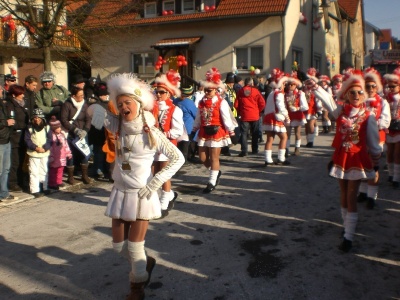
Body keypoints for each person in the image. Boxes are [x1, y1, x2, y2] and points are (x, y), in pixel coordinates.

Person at [104, 73, 184, 300]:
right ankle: (146, 263)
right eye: (119, 104)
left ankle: (136, 288)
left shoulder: (152, 132)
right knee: (119, 247)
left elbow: (178, 158)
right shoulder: (118, 127)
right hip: (120, 190)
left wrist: (157, 182)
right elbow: (97, 112)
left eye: (127, 102)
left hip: (142, 193)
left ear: (138, 104)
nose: (123, 107)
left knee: (134, 247)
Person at [305, 72, 381, 252]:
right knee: (343, 192)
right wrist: (315, 87)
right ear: (346, 94)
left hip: (357, 158)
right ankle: (346, 226)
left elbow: (373, 141)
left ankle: (348, 237)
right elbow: (328, 101)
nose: (356, 96)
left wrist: (375, 161)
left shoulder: (368, 116)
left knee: (351, 195)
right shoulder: (341, 111)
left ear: (365, 95)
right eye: (352, 92)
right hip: (341, 157)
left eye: (360, 92)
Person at [191, 67, 238, 193]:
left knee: (213, 158)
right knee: (202, 158)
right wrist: (194, 129)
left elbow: (226, 118)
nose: (206, 92)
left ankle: (211, 181)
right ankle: (216, 172)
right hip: (203, 131)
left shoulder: (221, 102)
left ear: (215, 90)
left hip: (217, 132)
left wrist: (232, 132)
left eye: (209, 90)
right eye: (205, 90)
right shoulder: (201, 102)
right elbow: (198, 117)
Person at [356, 68, 391, 209]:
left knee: (373, 168)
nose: (370, 89)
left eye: (373, 86)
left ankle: (372, 196)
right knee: (362, 167)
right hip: (361, 140)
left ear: (377, 86)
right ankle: (363, 192)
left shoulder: (383, 102)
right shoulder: (360, 101)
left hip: (376, 139)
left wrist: (369, 123)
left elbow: (385, 121)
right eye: (367, 86)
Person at [153, 70, 185, 217]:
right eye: (156, 91)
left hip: (166, 147)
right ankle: (170, 194)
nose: (158, 95)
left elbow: (178, 131)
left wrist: (163, 135)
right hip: (153, 147)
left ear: (169, 93)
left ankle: (164, 202)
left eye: (161, 92)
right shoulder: (151, 108)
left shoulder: (175, 109)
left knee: (164, 175)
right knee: (153, 174)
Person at [60, 86, 92, 184]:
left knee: (84, 153)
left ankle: (85, 175)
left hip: (83, 133)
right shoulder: (67, 105)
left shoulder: (85, 105)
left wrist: (86, 130)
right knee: (71, 154)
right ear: (74, 96)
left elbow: (88, 119)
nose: (82, 97)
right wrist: (74, 130)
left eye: (83, 95)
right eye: (80, 95)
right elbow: (64, 120)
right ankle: (70, 176)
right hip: (71, 133)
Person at [262, 72, 291, 166]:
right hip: (275, 117)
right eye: (284, 83)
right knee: (284, 137)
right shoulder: (279, 94)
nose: (284, 85)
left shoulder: (272, 93)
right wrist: (286, 116)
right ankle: (281, 158)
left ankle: (268, 159)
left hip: (268, 116)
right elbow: (280, 106)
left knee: (269, 139)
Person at [24, 108, 51, 198]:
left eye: (39, 117)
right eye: (35, 117)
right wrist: (35, 148)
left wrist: (45, 148)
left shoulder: (47, 127)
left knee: (44, 170)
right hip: (34, 153)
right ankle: (35, 189)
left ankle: (44, 187)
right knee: (34, 171)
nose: (37, 119)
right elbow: (27, 140)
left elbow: (50, 139)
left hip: (44, 152)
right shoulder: (29, 127)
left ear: (42, 118)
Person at [7, 85, 29, 192]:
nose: (23, 95)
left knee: (22, 161)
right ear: (14, 95)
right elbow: (12, 120)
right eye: (21, 94)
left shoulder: (24, 104)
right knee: (15, 161)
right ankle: (12, 183)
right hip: (15, 136)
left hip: (24, 136)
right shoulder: (10, 105)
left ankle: (22, 181)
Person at [235, 77, 265, 156]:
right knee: (254, 133)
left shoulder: (240, 91)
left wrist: (240, 112)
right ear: (252, 83)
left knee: (244, 133)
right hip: (255, 115)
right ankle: (254, 149)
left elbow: (236, 105)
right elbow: (262, 103)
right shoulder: (255, 91)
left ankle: (244, 151)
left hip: (244, 115)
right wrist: (258, 111)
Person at [87, 81, 110, 179]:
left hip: (105, 133)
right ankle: (98, 170)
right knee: (99, 153)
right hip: (98, 133)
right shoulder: (97, 105)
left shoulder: (108, 104)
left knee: (103, 153)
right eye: (104, 95)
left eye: (106, 94)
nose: (106, 96)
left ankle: (102, 170)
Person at [383, 67, 400, 188]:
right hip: (389, 127)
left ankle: (396, 178)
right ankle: (390, 173)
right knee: (389, 152)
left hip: (399, 127)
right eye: (389, 86)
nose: (390, 89)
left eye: (393, 86)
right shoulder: (385, 98)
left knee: (397, 153)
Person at [284, 74, 308, 156]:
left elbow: (305, 106)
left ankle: (297, 148)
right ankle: (286, 149)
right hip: (288, 115)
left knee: (297, 132)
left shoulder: (300, 93)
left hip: (297, 115)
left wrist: (297, 108)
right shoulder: (284, 93)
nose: (290, 86)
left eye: (292, 84)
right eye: (289, 84)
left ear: (296, 85)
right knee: (287, 133)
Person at [48, 116, 72, 190]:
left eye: (60, 127)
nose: (60, 129)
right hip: (54, 158)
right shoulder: (51, 137)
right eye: (58, 128)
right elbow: (50, 148)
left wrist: (68, 153)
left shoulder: (62, 135)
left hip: (62, 157)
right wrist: (50, 156)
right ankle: (52, 183)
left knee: (60, 170)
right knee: (53, 171)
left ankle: (59, 181)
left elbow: (66, 145)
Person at [175, 85, 197, 163]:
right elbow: (196, 114)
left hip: (178, 126)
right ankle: (186, 158)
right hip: (188, 127)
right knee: (186, 144)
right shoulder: (189, 102)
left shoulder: (175, 101)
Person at [0, 98, 16, 201]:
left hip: (7, 139)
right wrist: (6, 122)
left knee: (5, 169)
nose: (1, 90)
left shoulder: (3, 103)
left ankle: (4, 193)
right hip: (0, 141)